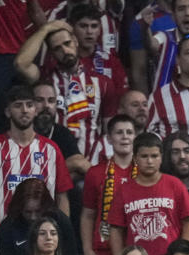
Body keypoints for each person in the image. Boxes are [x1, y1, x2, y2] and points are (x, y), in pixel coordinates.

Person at [14, 20, 117, 162]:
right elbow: (21, 63)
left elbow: (109, 131)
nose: (64, 50)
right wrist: (46, 29)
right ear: (51, 53)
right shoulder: (44, 79)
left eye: (67, 43)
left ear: (75, 41)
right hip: (52, 163)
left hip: (91, 164)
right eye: (57, 48)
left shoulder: (103, 83)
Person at [107, 132, 189, 255]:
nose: (149, 161)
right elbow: (115, 229)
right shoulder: (124, 190)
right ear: (135, 158)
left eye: (154, 156)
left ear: (161, 157)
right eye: (144, 156)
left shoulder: (174, 185)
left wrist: (179, 252)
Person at [0, 85, 73, 220]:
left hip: (43, 235)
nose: (24, 110)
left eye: (29, 105)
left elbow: (62, 196)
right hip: (2, 235)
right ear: (8, 112)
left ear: (35, 111)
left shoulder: (51, 149)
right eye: (18, 105)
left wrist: (63, 231)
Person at [80, 114, 137, 255]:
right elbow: (88, 214)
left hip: (137, 254)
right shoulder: (95, 173)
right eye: (119, 132)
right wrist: (87, 250)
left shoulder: (146, 172)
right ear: (109, 139)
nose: (125, 136)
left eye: (129, 132)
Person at [0, 178, 79, 255]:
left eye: (38, 211)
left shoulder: (60, 221)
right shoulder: (7, 226)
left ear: (46, 207)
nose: (33, 217)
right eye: (28, 212)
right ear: (19, 209)